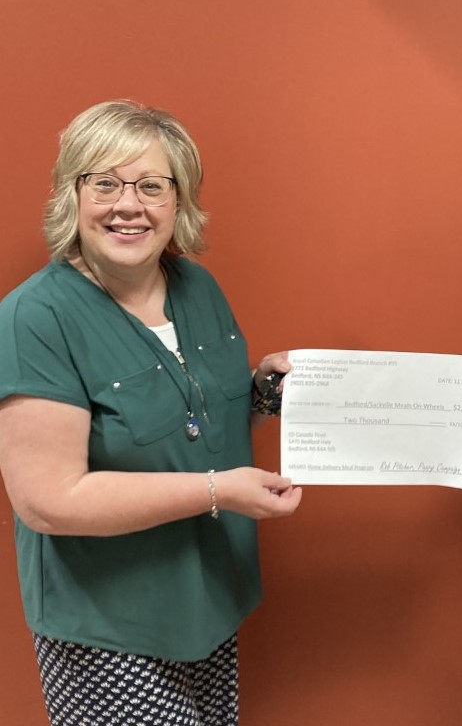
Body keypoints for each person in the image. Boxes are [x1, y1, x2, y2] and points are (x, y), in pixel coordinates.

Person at [0, 100, 303, 725]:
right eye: (104, 184)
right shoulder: (36, 318)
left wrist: (263, 394)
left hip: (209, 601)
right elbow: (48, 499)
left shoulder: (197, 288)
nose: (128, 204)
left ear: (178, 202)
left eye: (151, 186)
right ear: (71, 196)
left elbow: (186, 420)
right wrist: (220, 489)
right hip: (109, 626)